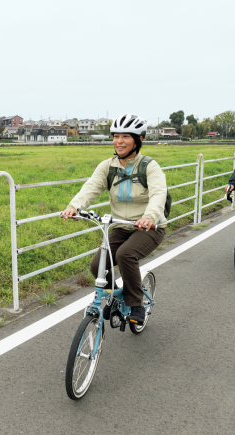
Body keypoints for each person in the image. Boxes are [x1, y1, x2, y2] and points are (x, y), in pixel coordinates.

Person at [60, 113, 168, 323]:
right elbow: (90, 188)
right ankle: (115, 299)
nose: (119, 141)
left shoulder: (149, 166)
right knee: (97, 266)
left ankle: (136, 304)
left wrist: (149, 217)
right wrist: (74, 206)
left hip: (149, 227)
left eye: (126, 136)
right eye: (116, 136)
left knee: (125, 255)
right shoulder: (107, 167)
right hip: (120, 226)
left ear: (138, 140)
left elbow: (158, 194)